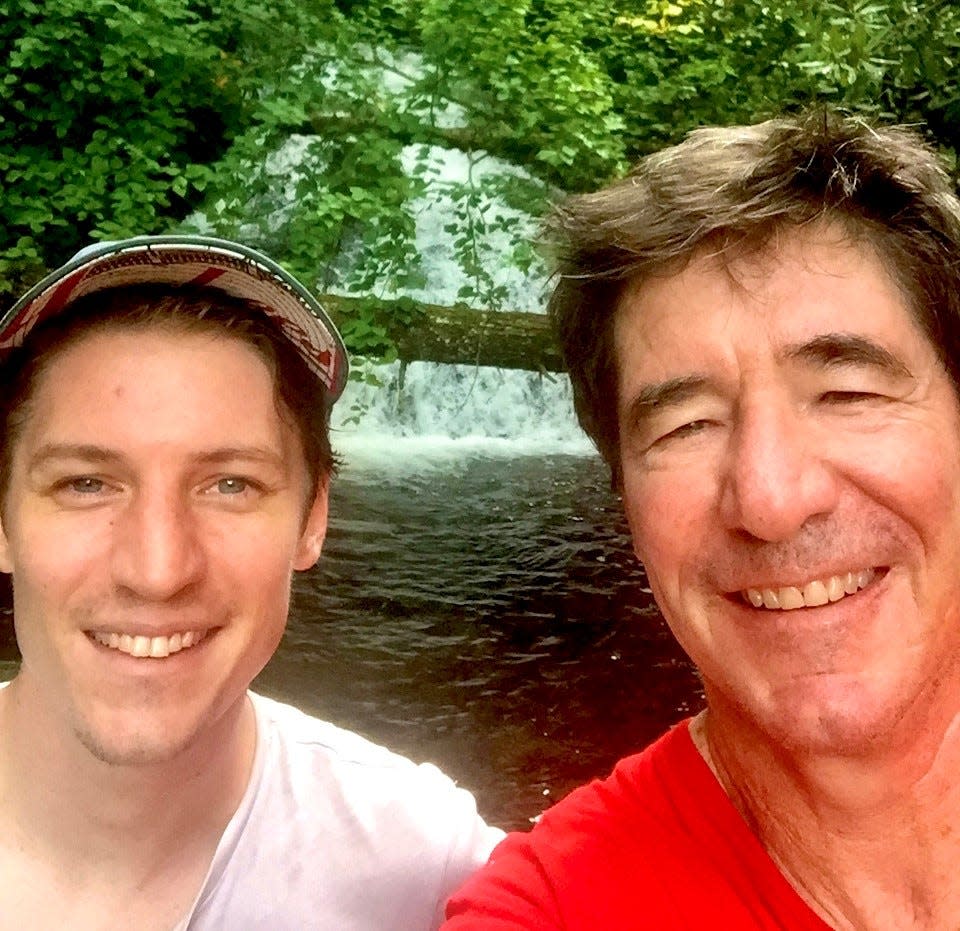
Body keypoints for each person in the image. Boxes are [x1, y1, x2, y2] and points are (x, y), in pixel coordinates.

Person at [443, 109, 960, 929]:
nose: (770, 499)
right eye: (686, 426)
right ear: (625, 499)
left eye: (848, 394)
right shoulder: (553, 908)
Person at [0, 235, 502, 929]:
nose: (157, 569)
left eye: (230, 484)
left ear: (312, 517)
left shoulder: (431, 867)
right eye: (86, 483)